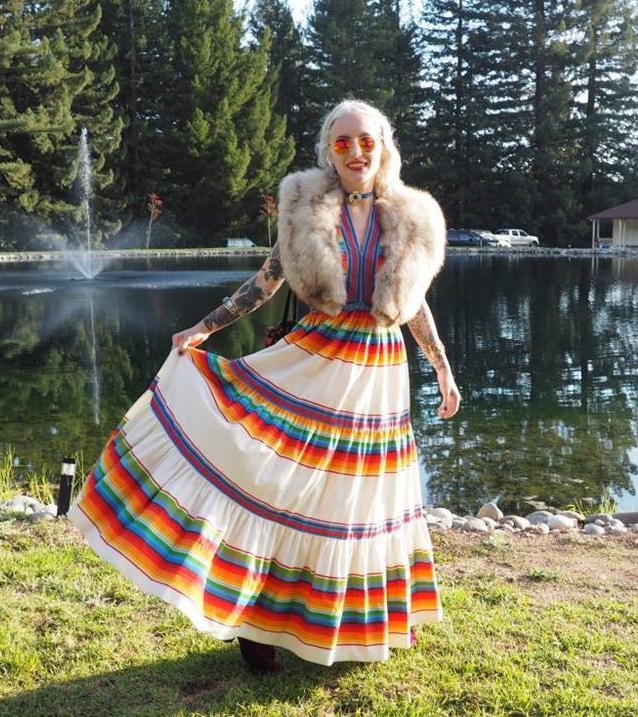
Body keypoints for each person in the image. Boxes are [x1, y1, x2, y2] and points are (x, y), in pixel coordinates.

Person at [68, 99, 460, 673]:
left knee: (366, 498)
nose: (356, 152)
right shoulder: (306, 209)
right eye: (343, 142)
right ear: (329, 151)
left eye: (366, 141)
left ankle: (372, 617)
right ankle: (257, 623)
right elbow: (267, 281)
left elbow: (415, 301)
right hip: (316, 360)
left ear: (384, 147)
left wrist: (442, 367)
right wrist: (205, 327)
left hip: (380, 372)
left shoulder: (410, 216)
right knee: (285, 486)